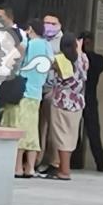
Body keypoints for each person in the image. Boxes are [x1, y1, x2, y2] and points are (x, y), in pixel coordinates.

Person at [1, 18, 53, 178]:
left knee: (18, 130)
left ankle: (17, 167)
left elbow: (16, 63)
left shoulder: (28, 44)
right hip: (36, 93)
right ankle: (30, 167)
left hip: (22, 92)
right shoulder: (47, 46)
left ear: (30, 29)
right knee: (31, 131)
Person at [44, 33, 89, 181]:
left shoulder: (60, 60)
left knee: (60, 136)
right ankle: (65, 168)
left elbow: (65, 78)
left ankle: (64, 170)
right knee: (71, 136)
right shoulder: (83, 59)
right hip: (77, 103)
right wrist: (80, 50)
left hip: (62, 101)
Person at [75, 31, 103, 172]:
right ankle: (96, 162)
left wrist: (81, 51)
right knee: (81, 131)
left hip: (84, 96)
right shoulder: (96, 59)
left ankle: (97, 162)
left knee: (89, 131)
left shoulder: (94, 59)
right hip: (84, 97)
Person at [38, 12, 64, 173]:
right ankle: (38, 159)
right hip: (38, 87)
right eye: (46, 22)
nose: (48, 26)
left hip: (53, 88)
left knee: (53, 127)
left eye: (52, 23)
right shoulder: (39, 39)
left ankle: (53, 161)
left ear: (59, 25)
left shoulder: (63, 42)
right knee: (40, 127)